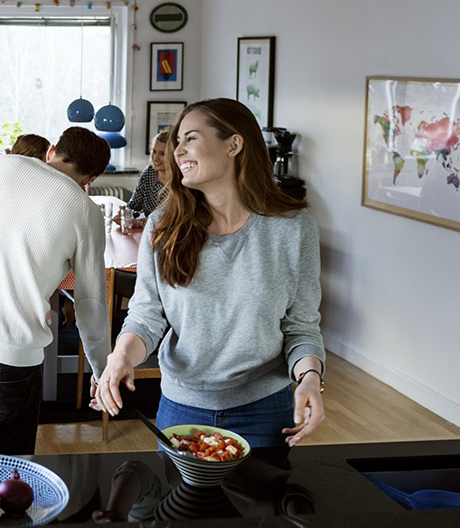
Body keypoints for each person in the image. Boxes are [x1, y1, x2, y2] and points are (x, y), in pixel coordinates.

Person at [91, 98, 325, 448]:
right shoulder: (162, 226)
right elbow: (146, 316)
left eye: (191, 139)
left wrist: (309, 377)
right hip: (182, 409)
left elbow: (301, 325)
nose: (177, 152)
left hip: (265, 409)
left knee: (258, 504)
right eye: (177, 142)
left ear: (234, 144)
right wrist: (121, 356)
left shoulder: (293, 228)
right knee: (180, 504)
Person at [0, 127, 113, 455]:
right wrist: (101, 368)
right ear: (91, 178)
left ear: (53, 148)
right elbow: (90, 304)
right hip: (12, 355)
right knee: (11, 470)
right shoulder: (86, 210)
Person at [127, 130, 170, 216]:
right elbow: (133, 206)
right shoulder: (149, 173)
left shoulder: (182, 181)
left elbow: (170, 220)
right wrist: (125, 214)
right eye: (154, 151)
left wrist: (141, 222)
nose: (155, 158)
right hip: (147, 228)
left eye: (162, 154)